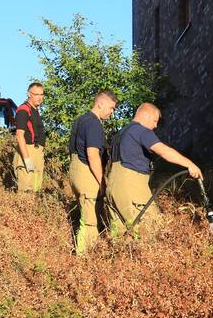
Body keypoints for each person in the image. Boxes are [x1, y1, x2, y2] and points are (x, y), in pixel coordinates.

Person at [107, 102, 202, 235]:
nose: (155, 126)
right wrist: (190, 164)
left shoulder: (119, 135)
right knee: (152, 231)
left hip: (112, 187)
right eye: (155, 120)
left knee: (121, 237)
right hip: (131, 186)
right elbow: (163, 151)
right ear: (145, 115)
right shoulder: (141, 130)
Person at [68, 90, 117, 254]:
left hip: (75, 170)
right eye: (111, 108)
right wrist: (101, 181)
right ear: (100, 104)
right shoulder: (94, 123)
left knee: (86, 217)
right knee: (90, 222)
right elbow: (93, 154)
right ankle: (83, 260)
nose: (111, 113)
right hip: (87, 173)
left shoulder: (80, 120)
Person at [12, 82, 46, 193]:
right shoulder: (23, 110)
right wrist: (26, 159)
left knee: (35, 191)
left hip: (37, 153)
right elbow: (19, 135)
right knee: (26, 192)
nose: (39, 97)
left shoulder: (35, 110)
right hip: (28, 151)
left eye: (41, 94)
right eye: (36, 94)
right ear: (29, 94)